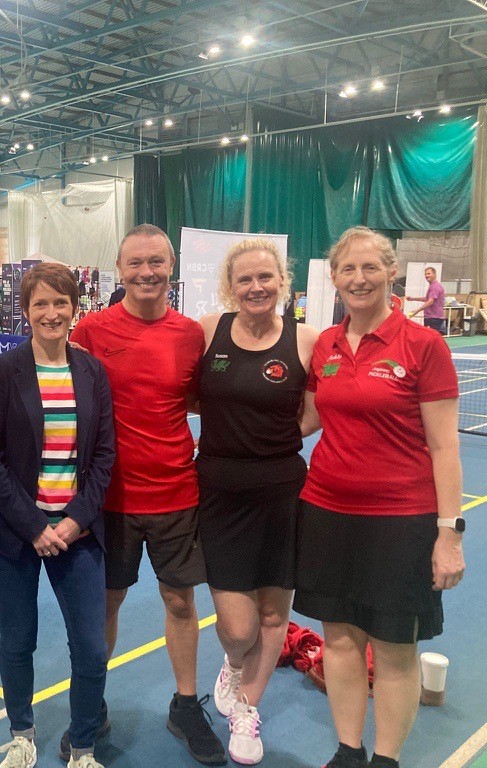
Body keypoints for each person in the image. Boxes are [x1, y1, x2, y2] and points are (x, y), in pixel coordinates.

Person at [297, 227, 465, 768]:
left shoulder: (424, 346)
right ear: (334, 277)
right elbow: (306, 419)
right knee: (341, 640)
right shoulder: (325, 344)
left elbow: (444, 446)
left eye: (370, 267)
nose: (359, 278)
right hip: (325, 511)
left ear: (391, 272)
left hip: (401, 521)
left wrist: (448, 534)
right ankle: (349, 750)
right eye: (348, 269)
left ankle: (386, 759)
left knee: (394, 647)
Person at [70, 224, 226, 767]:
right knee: (104, 607)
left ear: (171, 266)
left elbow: (210, 401)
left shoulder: (190, 335)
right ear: (120, 269)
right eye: (136, 263)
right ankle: (92, 706)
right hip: (108, 499)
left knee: (181, 602)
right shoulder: (90, 331)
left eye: (156, 262)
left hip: (176, 493)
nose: (146, 273)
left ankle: (186, 705)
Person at [0, 264, 116, 768]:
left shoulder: (92, 371)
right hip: (13, 533)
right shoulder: (2, 373)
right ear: (26, 310)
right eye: (41, 304)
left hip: (76, 531)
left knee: (92, 650)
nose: (51, 313)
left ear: (75, 309)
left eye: (61, 303)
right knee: (19, 640)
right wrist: (34, 525)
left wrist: (74, 520)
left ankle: (82, 747)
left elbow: (103, 456)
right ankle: (21, 736)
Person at [195, 239, 319, 764]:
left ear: (281, 281)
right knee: (238, 626)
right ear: (230, 285)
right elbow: (183, 393)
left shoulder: (307, 340)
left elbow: (315, 413)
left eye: (265, 277)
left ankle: (247, 707)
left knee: (273, 616)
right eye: (244, 279)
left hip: (283, 492)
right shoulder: (206, 332)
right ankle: (233, 660)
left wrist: (267, 440)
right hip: (219, 493)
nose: (256, 287)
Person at [405, 267, 446, 334]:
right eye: (425, 274)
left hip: (434, 318)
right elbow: (427, 299)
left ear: (434, 275)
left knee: (431, 338)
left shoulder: (435, 287)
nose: (426, 276)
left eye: (428, 273)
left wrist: (416, 311)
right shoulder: (432, 286)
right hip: (430, 317)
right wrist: (413, 298)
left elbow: (430, 301)